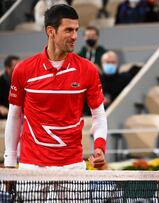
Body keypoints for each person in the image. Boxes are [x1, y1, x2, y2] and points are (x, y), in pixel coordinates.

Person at [3, 4, 107, 170]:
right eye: (68, 30)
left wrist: (100, 147)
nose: (74, 36)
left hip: (72, 166)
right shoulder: (23, 70)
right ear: (50, 31)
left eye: (76, 30)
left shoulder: (88, 70)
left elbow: (99, 116)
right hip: (32, 166)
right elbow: (14, 116)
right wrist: (9, 161)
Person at [0, 55, 19, 120]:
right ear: (7, 68)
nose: (18, 69)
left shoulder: (21, 81)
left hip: (18, 118)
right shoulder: (1, 81)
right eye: (15, 66)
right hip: (4, 119)